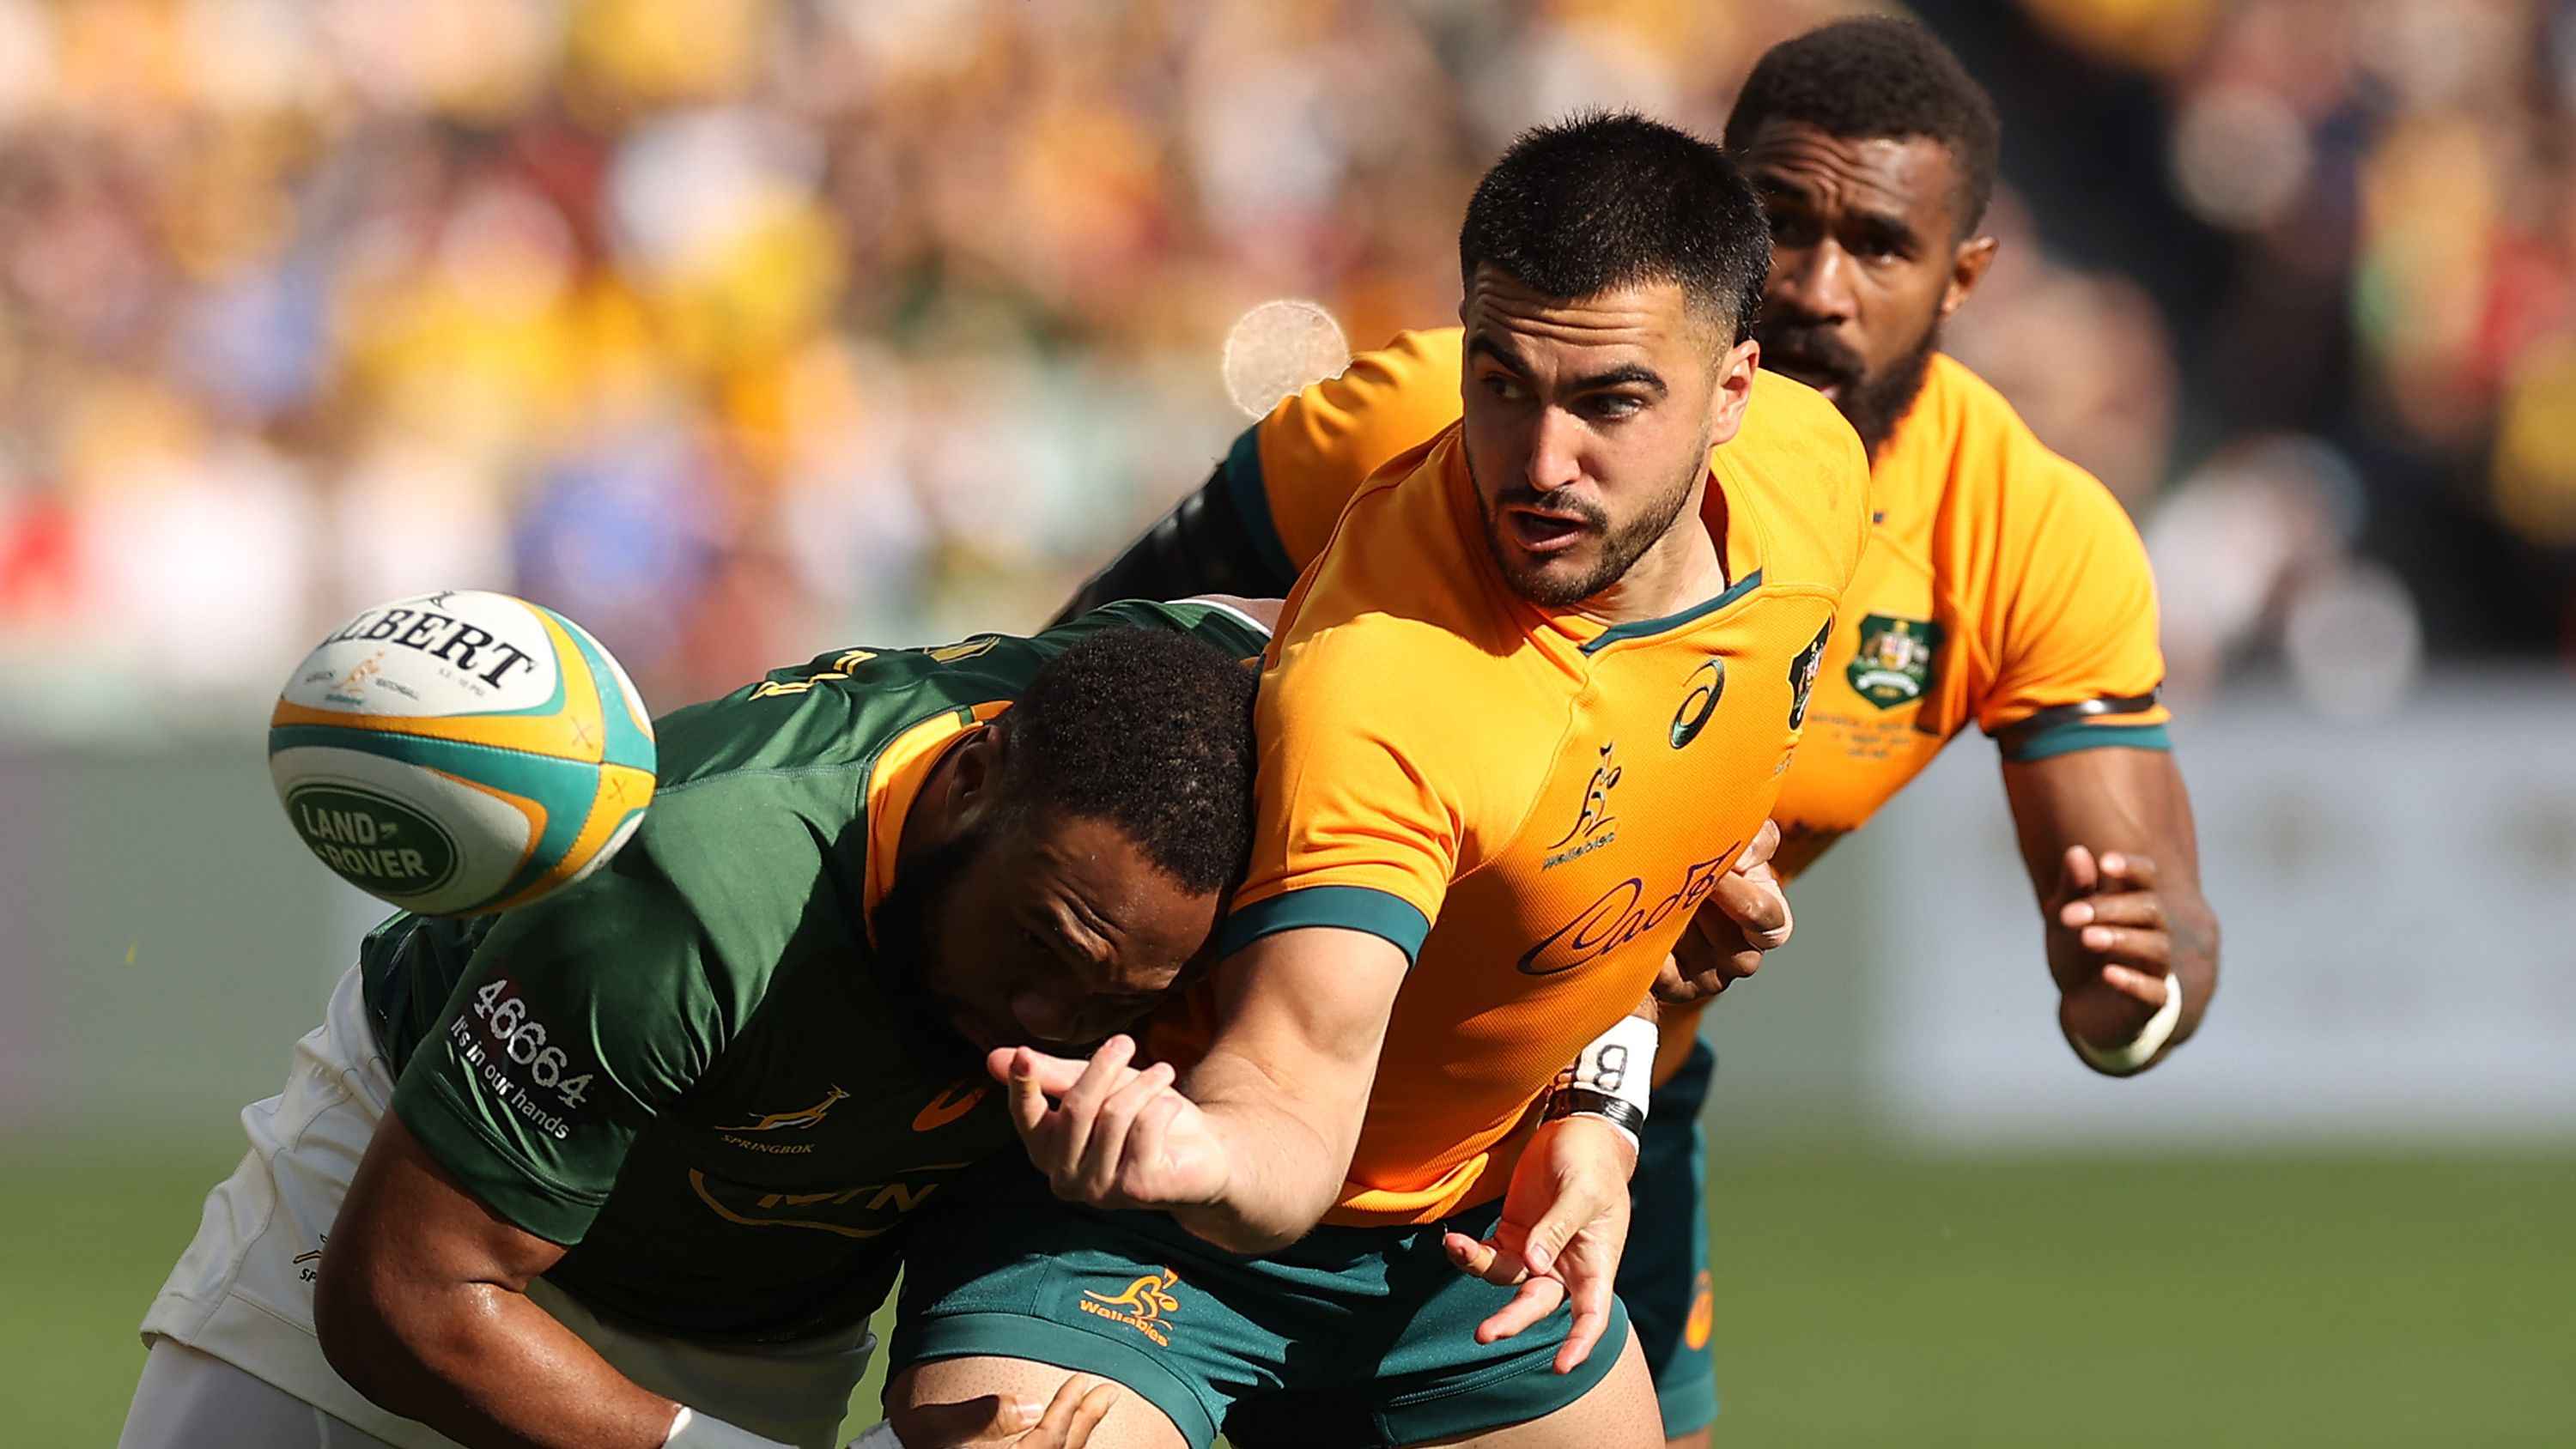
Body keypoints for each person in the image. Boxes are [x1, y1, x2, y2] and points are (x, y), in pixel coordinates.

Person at [1055, 19, 2224, 1448]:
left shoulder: (2019, 536)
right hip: (1252, 1074)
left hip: (1602, 1107)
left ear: (1964, 274)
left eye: (1878, 245)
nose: (1816, 288)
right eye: (1779, 224)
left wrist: (2134, 998)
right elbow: (1088, 679)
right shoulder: (1463, 420)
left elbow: (2145, 961)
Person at [884, 113, 1872, 1449]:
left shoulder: (1815, 481)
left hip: (1454, 1247)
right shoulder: (1392, 683)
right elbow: (1291, 1085)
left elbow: (1639, 880)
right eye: (1502, 382)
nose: (1540, 462)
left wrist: (1600, 1102)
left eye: (1612, 402)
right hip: (1153, 1221)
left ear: (1738, 392)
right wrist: (1192, 1151)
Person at [118, 602, 1275, 1449]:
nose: (1046, 1020)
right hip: (417, 1181)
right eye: (1038, 941)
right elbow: (404, 1301)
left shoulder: (1258, 712)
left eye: (1117, 1002)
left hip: (758, 1316)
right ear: (974, 772)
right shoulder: (692, 892)